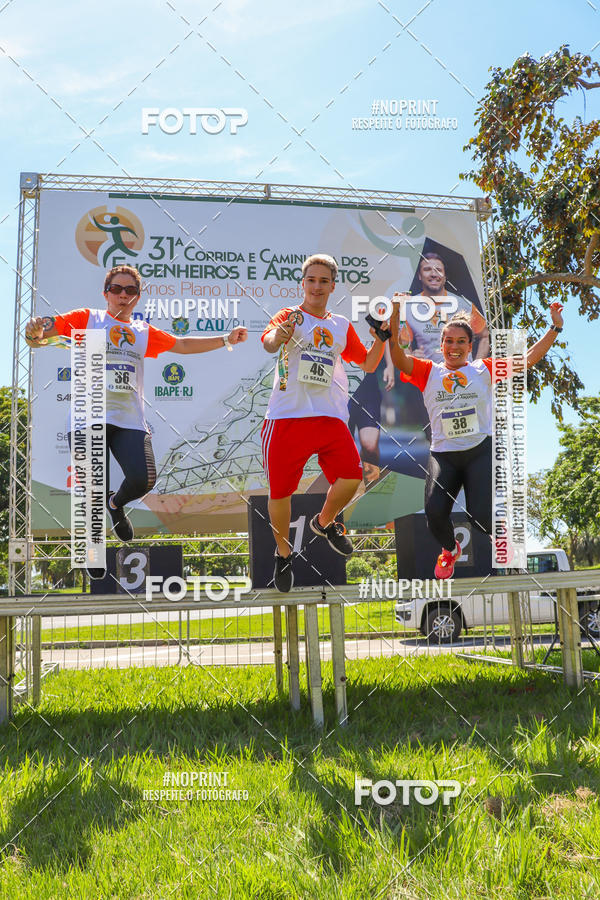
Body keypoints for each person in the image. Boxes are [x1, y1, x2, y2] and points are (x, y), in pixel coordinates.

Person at [25, 264, 247, 577]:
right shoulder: (87, 319)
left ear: (138, 297)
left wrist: (225, 339)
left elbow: (182, 344)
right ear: (106, 293)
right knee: (92, 491)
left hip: (128, 419)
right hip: (88, 417)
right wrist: (34, 329)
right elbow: (40, 333)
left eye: (130, 290)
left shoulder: (142, 332)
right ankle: (92, 554)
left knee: (144, 479)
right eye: (116, 289)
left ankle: (116, 505)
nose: (123, 295)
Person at [389, 299, 564, 579]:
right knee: (434, 515)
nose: (454, 347)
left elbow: (528, 358)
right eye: (449, 341)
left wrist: (555, 327)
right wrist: (395, 315)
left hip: (479, 452)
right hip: (443, 455)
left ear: (470, 346)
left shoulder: (484, 369)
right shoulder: (428, 371)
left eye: (461, 341)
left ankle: (503, 538)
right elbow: (399, 359)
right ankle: (450, 551)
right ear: (441, 345)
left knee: (481, 519)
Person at [261, 253, 387, 592]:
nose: (317, 287)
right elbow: (269, 343)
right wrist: (280, 335)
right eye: (311, 280)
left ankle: (324, 522)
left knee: (351, 478)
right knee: (280, 493)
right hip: (287, 417)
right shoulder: (289, 315)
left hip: (330, 416)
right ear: (302, 283)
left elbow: (368, 363)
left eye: (323, 281)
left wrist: (381, 338)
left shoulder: (341, 325)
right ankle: (283, 553)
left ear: (333, 286)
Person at [400, 252, 489, 362]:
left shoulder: (464, 304)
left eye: (438, 270)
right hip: (429, 372)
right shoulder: (408, 307)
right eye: (427, 269)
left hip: (463, 372)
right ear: (419, 275)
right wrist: (412, 358)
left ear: (445, 276)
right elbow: (404, 345)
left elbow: (485, 335)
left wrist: (476, 366)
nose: (433, 274)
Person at [347, 343, 395, 486]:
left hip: (368, 388)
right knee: (345, 449)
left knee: (370, 446)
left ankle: (370, 486)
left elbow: (385, 337)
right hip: (342, 390)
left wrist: (390, 365)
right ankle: (347, 488)